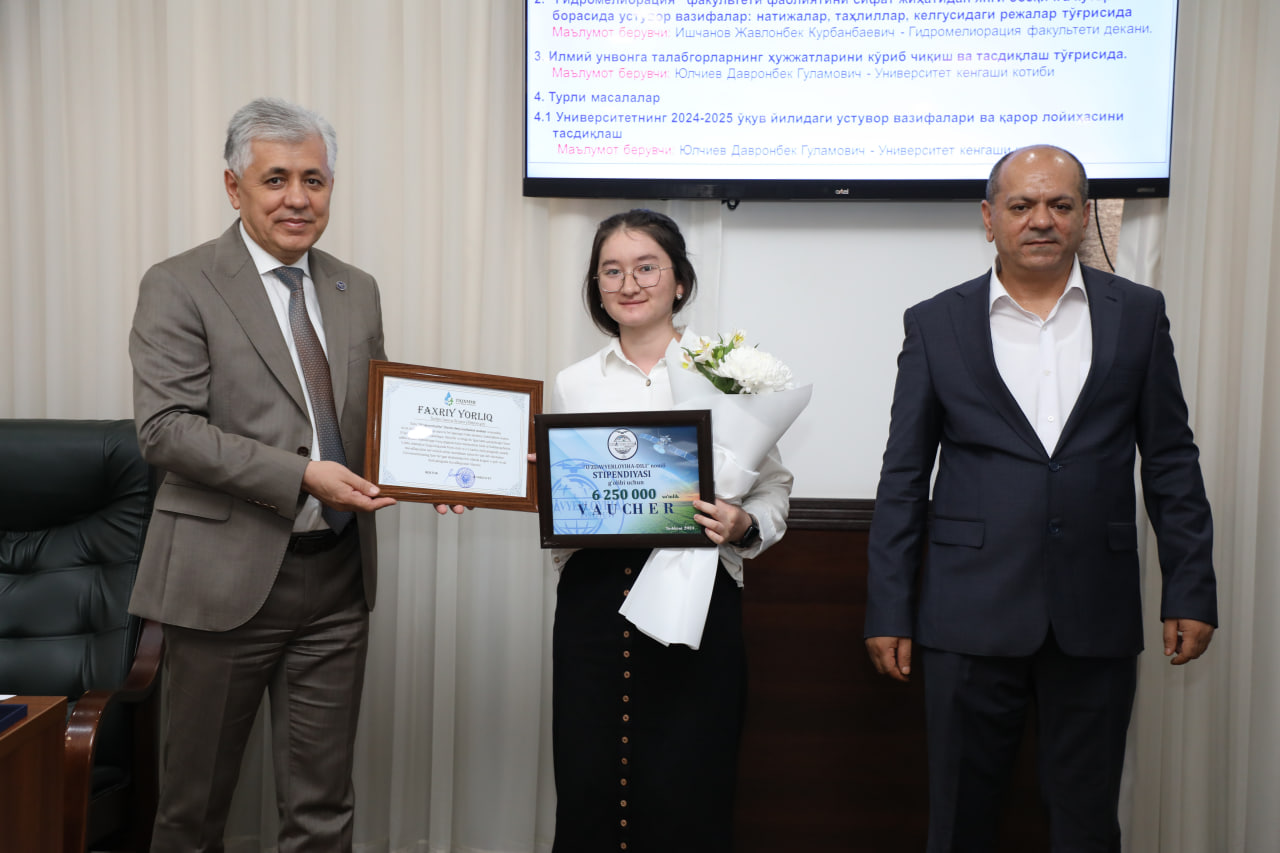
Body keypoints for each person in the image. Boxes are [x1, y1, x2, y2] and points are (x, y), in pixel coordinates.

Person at [864, 145, 1218, 851]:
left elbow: (1171, 460)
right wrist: (889, 606)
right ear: (989, 217)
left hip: (1095, 610)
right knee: (960, 822)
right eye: (1021, 205)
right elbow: (904, 475)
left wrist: (1190, 588)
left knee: (1087, 825)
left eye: (1059, 204)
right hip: (967, 614)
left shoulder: (1137, 313)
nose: (1041, 220)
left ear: (1084, 216)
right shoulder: (935, 322)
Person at [129, 96, 397, 852]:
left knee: (322, 809)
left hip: (336, 577)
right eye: (275, 179)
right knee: (192, 811)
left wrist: (448, 474)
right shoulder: (180, 283)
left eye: (314, 179)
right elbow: (165, 428)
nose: (297, 198)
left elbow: (374, 418)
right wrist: (304, 475)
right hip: (224, 580)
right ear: (233, 187)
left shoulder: (355, 287)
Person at [548, 209, 793, 852]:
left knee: (689, 775)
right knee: (590, 774)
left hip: (700, 595)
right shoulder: (574, 382)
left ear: (679, 280)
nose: (629, 284)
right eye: (611, 271)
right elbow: (563, 490)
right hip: (595, 602)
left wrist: (743, 524)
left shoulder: (729, 371)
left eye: (647, 267)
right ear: (597, 286)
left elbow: (773, 489)